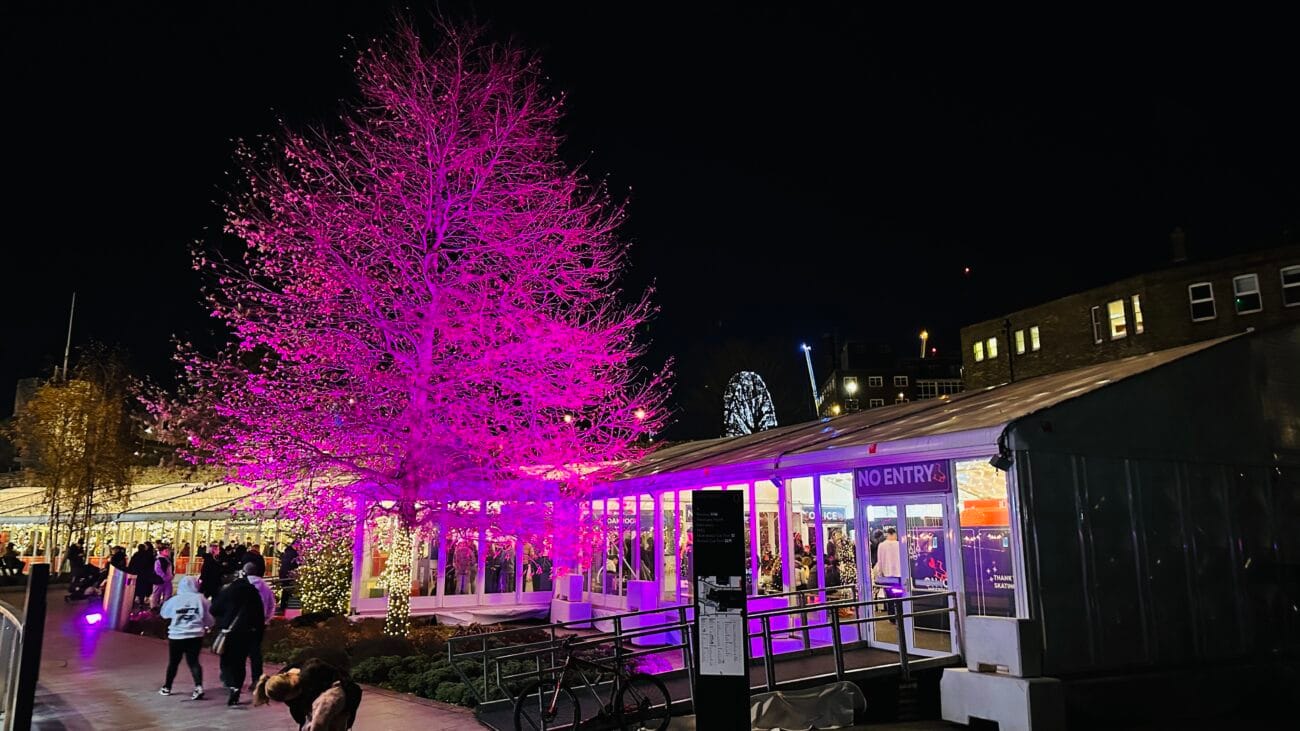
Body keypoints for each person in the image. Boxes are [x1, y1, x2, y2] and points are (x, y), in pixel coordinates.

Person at [212, 562, 269, 706]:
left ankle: (230, 683)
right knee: (240, 661)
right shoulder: (253, 592)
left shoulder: (228, 590)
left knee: (227, 659)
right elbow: (259, 614)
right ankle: (237, 686)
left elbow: (214, 609)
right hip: (248, 631)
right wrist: (258, 631)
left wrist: (224, 618)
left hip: (230, 631)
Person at [254, 657, 363, 730]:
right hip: (318, 701)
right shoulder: (287, 691)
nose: (299, 691)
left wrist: (347, 713)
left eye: (297, 687)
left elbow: (349, 689)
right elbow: (299, 713)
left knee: (330, 717)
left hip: (341, 692)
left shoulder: (312, 671)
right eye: (295, 692)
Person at [158, 576, 214, 700]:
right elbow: (208, 617)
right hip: (195, 635)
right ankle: (198, 686)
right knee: (194, 662)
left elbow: (164, 614)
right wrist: (207, 626)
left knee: (173, 662)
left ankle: (167, 687)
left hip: (177, 635)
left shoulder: (175, 600)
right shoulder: (201, 599)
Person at [243, 561, 277, 686]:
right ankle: (256, 679)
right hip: (259, 623)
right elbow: (272, 604)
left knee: (239, 651)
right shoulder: (265, 586)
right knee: (255, 652)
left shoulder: (242, 585)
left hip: (243, 622)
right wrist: (267, 619)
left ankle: (236, 681)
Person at [876, 527, 902, 620]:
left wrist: (880, 573)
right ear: (894, 534)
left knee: (890, 597)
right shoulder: (899, 545)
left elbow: (880, 561)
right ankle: (900, 615)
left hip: (887, 575)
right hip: (899, 575)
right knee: (899, 597)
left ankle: (891, 616)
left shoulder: (881, 546)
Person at [128, 543, 158, 609]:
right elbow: (151, 565)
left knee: (135, 588)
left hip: (136, 574)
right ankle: (141, 602)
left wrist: (131, 572)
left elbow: (131, 564)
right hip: (145, 575)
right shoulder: (148, 555)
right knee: (143, 588)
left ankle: (132, 602)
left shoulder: (136, 555)